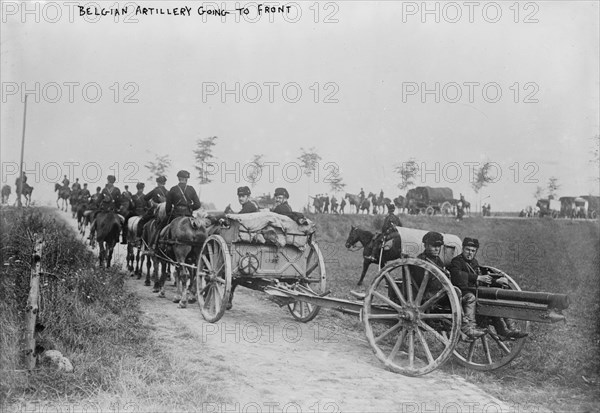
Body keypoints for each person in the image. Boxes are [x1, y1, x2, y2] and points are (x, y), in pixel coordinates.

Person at [448, 237, 527, 340]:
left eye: (473, 251)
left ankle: (508, 328)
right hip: (462, 291)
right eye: (467, 250)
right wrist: (477, 278)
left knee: (494, 302)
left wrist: (495, 281)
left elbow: (483, 278)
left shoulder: (474, 262)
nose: (469, 253)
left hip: (475, 290)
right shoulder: (456, 262)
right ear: (462, 249)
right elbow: (457, 276)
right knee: (470, 297)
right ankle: (470, 327)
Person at [88, 176, 121, 240]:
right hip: (113, 210)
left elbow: (99, 200)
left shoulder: (104, 190)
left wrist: (97, 205)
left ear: (108, 181)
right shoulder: (117, 190)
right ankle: (118, 236)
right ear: (113, 181)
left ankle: (92, 233)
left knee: (95, 218)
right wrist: (118, 207)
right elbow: (119, 201)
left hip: (104, 210)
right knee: (121, 221)